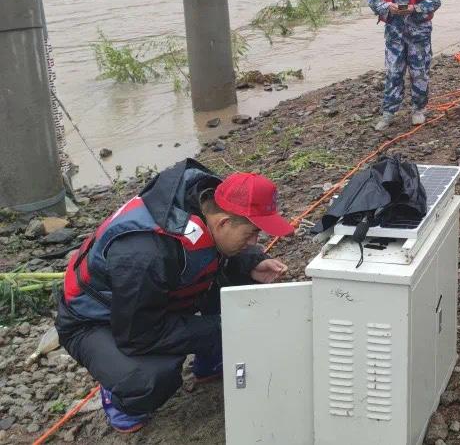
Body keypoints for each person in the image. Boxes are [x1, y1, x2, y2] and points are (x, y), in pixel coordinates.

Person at [56, 159, 293, 433]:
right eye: (252, 233)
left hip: (150, 299)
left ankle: (210, 357)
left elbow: (213, 252)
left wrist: (251, 262)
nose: (255, 241)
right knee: (152, 377)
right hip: (97, 321)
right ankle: (118, 395)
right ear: (224, 222)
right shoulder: (144, 253)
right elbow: (139, 335)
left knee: (242, 284)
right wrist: (224, 326)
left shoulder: (206, 202)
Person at [367, 0, 443, 131]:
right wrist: (387, 6)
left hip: (419, 33)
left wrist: (414, 8)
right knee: (393, 72)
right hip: (394, 34)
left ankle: (418, 109)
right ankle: (388, 113)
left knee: (419, 72)